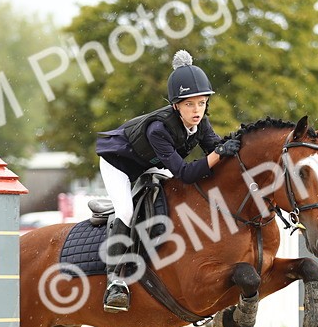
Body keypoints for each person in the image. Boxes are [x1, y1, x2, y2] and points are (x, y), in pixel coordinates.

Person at [94, 50, 241, 312]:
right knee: (126, 210)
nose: (197, 111)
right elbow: (185, 172)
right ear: (176, 106)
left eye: (201, 103)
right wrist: (218, 154)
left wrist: (234, 149)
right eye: (189, 104)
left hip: (149, 166)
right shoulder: (158, 129)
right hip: (119, 165)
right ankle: (115, 281)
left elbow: (216, 150)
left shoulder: (201, 123)